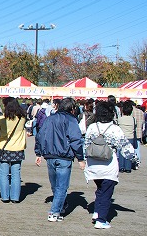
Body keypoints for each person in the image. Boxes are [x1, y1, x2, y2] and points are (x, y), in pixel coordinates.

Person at [84, 101, 134, 229]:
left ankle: (96, 212)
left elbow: (85, 146)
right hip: (108, 165)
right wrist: (134, 159)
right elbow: (125, 147)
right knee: (106, 193)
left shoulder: (92, 127)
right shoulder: (115, 129)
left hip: (93, 165)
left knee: (101, 189)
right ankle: (101, 220)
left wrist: (84, 160)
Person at [34, 97, 85, 222]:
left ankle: (60, 206)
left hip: (50, 155)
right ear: (72, 109)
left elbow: (40, 136)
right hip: (64, 156)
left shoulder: (50, 119)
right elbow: (76, 140)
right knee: (61, 186)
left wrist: (38, 153)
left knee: (55, 184)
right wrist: (80, 158)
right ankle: (54, 211)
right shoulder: (71, 120)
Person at [0, 99, 27, 203]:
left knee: (3, 173)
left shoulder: (2, 118)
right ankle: (15, 197)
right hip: (18, 148)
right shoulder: (22, 118)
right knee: (16, 174)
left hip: (4, 148)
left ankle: (5, 196)